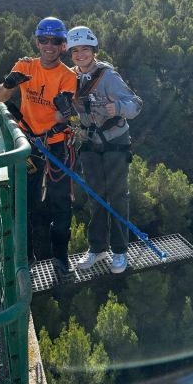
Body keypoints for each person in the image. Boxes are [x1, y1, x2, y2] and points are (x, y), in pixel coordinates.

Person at [0, 16, 77, 271]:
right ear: (37, 42)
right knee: (24, 201)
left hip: (54, 144)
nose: (49, 46)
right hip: (28, 143)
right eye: (44, 40)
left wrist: (64, 110)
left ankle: (60, 256)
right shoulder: (25, 66)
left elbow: (60, 116)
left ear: (63, 45)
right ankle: (26, 257)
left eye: (55, 41)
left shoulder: (67, 76)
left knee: (61, 202)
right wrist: (9, 84)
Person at [67, 25, 142, 274]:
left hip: (115, 142)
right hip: (90, 143)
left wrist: (118, 107)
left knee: (117, 196)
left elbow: (136, 104)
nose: (80, 55)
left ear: (94, 51)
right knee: (96, 197)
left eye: (85, 49)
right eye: (75, 50)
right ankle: (97, 248)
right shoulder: (70, 78)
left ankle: (120, 251)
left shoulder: (108, 77)